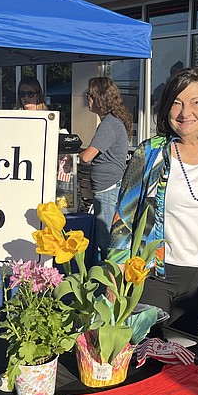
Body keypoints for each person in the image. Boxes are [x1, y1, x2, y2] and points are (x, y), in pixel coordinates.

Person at [109, 67, 198, 336]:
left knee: (182, 353)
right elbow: (124, 217)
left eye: (196, 102)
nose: (185, 112)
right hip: (153, 274)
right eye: (177, 102)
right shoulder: (149, 153)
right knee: (146, 349)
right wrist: (115, 272)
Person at [79, 77, 131, 260]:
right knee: (107, 239)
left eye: (90, 95)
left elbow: (87, 157)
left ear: (99, 98)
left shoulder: (109, 124)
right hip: (107, 186)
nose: (87, 99)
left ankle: (110, 276)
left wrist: (77, 154)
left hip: (108, 188)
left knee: (107, 240)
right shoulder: (112, 122)